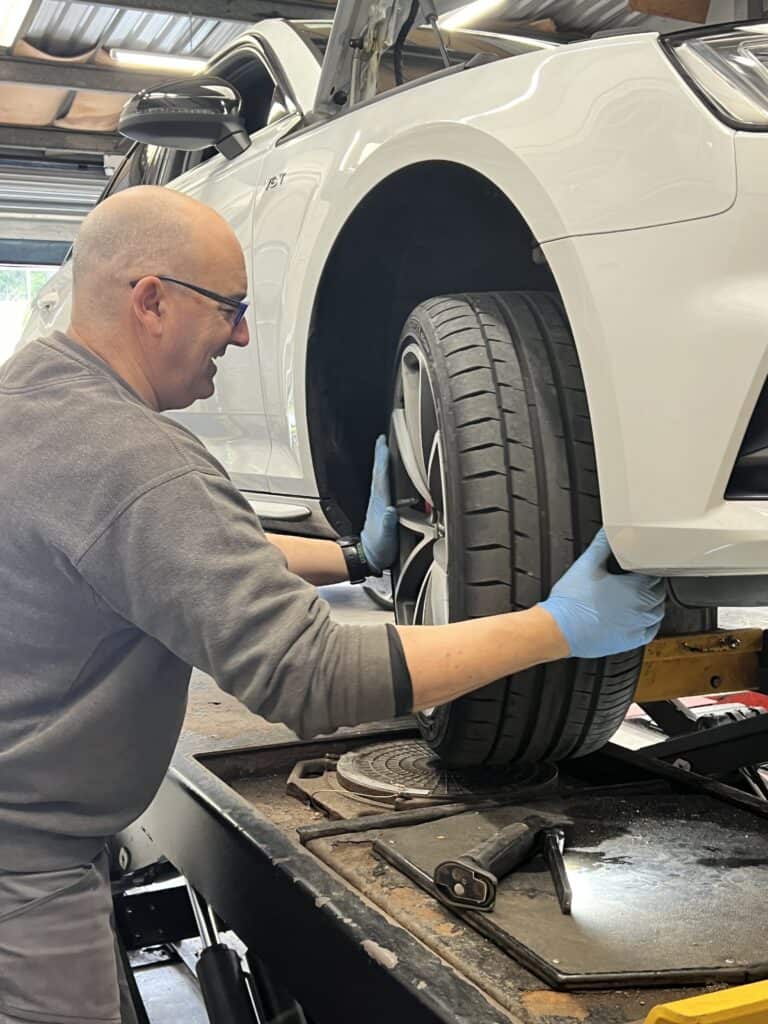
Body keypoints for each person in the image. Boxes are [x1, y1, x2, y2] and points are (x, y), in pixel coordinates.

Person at [0, 186, 664, 1024]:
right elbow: (310, 674)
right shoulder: (133, 458)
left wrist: (358, 556)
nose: (241, 335)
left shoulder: (34, 399)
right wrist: (555, 628)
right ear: (152, 299)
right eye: (231, 309)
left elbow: (164, 555)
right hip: (21, 867)